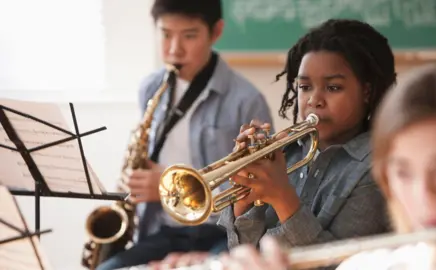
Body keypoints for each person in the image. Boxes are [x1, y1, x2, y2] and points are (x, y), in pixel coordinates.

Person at [150, 18, 398, 270]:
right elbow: (244, 252)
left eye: (333, 87)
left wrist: (282, 197)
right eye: (304, 87)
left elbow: (337, 265)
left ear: (366, 92)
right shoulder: (286, 153)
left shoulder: (377, 168)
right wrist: (243, 201)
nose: (314, 100)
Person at [217, 62, 436, 270]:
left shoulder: (362, 169)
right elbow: (242, 244)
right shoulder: (368, 265)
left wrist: (282, 196)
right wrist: (244, 197)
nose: (424, 195)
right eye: (403, 173)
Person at [95, 0, 273, 269]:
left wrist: (168, 189)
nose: (174, 49)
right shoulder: (151, 88)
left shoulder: (246, 100)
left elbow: (261, 188)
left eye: (189, 36)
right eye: (166, 34)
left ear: (216, 32)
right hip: (163, 230)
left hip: (223, 234)